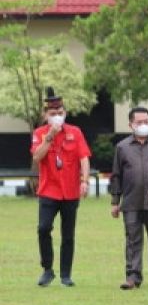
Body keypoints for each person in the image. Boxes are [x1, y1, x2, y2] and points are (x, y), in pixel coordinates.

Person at [30, 88, 91, 287]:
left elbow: (84, 157)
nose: (57, 117)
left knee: (68, 234)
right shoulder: (39, 133)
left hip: (70, 191)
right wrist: (50, 135)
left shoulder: (75, 132)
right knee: (43, 228)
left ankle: (66, 274)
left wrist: (85, 181)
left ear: (65, 113)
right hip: (49, 190)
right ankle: (47, 269)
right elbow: (37, 156)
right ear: (45, 115)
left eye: (60, 113)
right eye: (52, 114)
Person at [109, 106, 148, 289]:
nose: (143, 125)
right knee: (133, 240)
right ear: (131, 124)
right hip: (131, 202)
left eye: (146, 122)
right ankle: (133, 277)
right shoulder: (122, 147)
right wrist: (115, 202)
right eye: (139, 122)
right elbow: (116, 175)